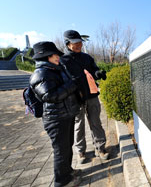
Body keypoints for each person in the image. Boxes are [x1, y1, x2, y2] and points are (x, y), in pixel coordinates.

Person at [29, 41, 82, 187]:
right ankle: (62, 182)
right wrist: (71, 85)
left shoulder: (54, 70)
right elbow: (50, 96)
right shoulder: (40, 74)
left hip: (65, 115)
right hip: (56, 119)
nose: (57, 56)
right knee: (61, 150)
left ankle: (68, 171)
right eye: (54, 54)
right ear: (45, 57)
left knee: (67, 147)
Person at [60, 30, 109, 164]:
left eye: (80, 42)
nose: (79, 44)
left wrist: (98, 73)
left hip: (92, 95)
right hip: (76, 98)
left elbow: (94, 69)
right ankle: (80, 151)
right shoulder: (63, 61)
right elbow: (65, 80)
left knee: (96, 122)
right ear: (67, 44)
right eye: (75, 43)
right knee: (79, 125)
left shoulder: (87, 57)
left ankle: (100, 147)